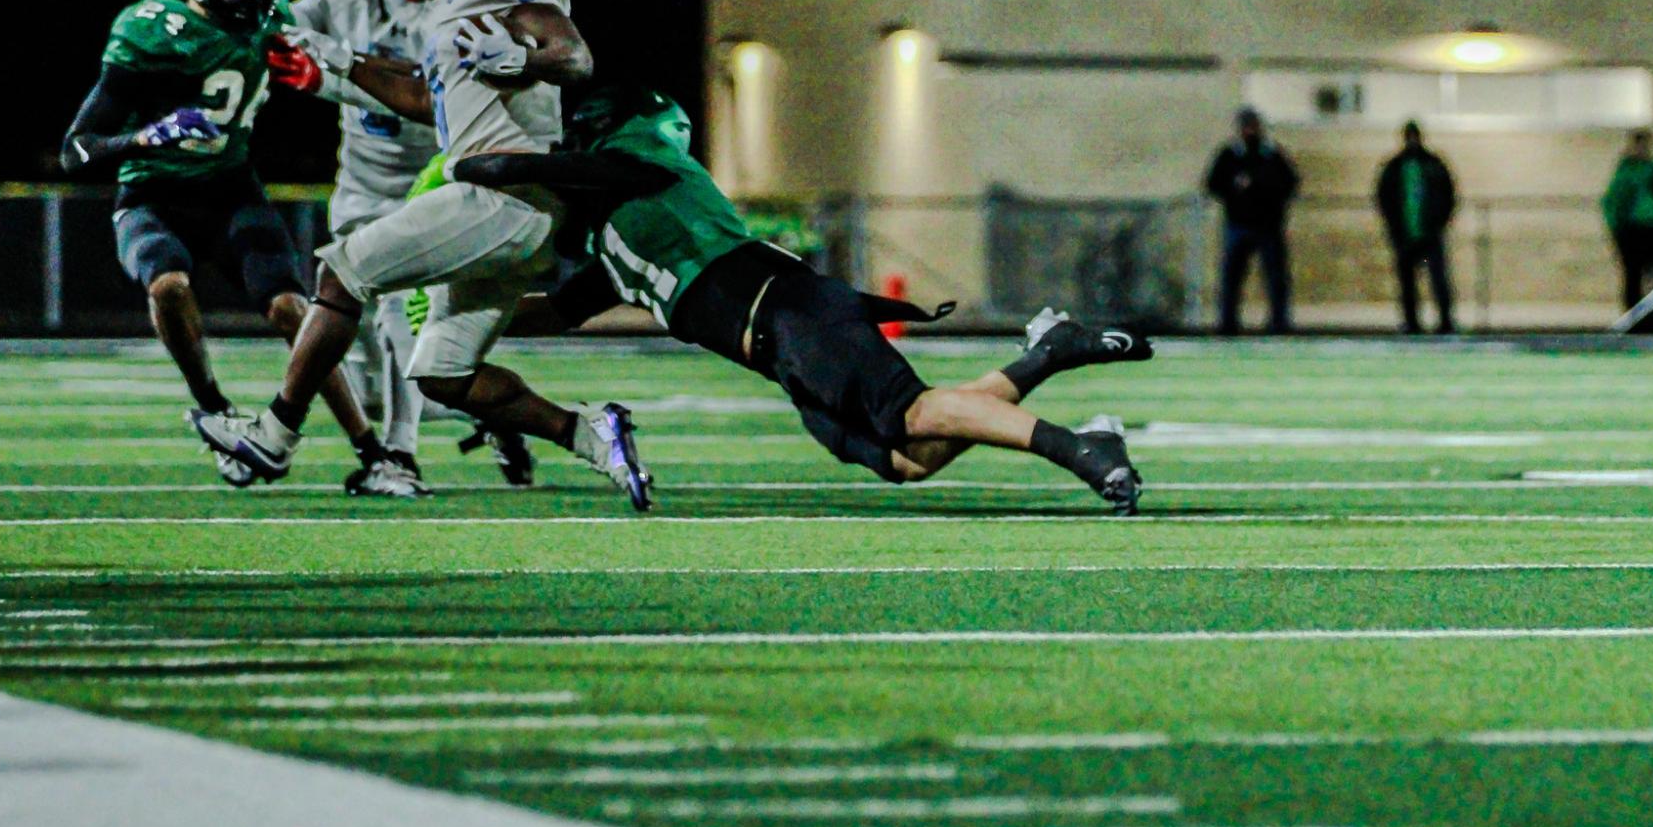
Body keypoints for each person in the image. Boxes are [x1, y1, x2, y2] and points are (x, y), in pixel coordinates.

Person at [441, 87, 1151, 513]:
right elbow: (559, 312)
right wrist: (453, 316)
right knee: (910, 459)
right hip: (778, 352)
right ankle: (1049, 353)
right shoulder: (610, 244)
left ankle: (1079, 448)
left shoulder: (645, 170)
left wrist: (466, 168)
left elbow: (519, 165)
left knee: (913, 412)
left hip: (790, 312)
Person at [192, 0, 651, 509]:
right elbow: (418, 98)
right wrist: (334, 64)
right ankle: (589, 433)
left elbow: (573, 54)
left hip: (503, 193)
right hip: (504, 201)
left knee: (343, 272)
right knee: (442, 374)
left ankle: (275, 432)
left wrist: (525, 56)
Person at [61, 0, 381, 487]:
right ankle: (214, 410)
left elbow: (336, 71)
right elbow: (76, 149)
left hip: (231, 188)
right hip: (154, 194)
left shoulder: (273, 14)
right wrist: (148, 138)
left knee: (295, 310)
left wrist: (320, 73)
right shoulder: (148, 29)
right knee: (169, 285)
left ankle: (373, 451)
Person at [266, 0, 533, 499]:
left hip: (430, 184)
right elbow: (286, 35)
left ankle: (398, 457)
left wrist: (335, 71)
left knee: (400, 327)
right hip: (358, 182)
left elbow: (424, 99)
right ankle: (497, 414)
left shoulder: (465, 0)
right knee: (372, 361)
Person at [1205, 107, 1299, 334]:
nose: (1250, 131)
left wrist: (1260, 186)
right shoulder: (1229, 155)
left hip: (1267, 225)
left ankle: (1279, 322)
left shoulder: (1272, 154)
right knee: (1232, 277)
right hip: (1239, 224)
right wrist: (1234, 188)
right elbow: (1213, 184)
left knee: (1275, 277)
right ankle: (1228, 323)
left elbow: (1289, 183)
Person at [1374, 121, 1456, 334]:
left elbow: (1448, 195)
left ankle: (1445, 321)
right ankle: (1412, 322)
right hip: (1406, 236)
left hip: (1429, 235)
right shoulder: (1395, 167)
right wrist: (1394, 226)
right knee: (1408, 283)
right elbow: (1384, 199)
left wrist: (1439, 223)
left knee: (1437, 280)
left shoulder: (1432, 165)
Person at [1601, 129, 1653, 310]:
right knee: (1634, 276)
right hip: (1634, 230)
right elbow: (1614, 204)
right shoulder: (1629, 172)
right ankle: (1637, 316)